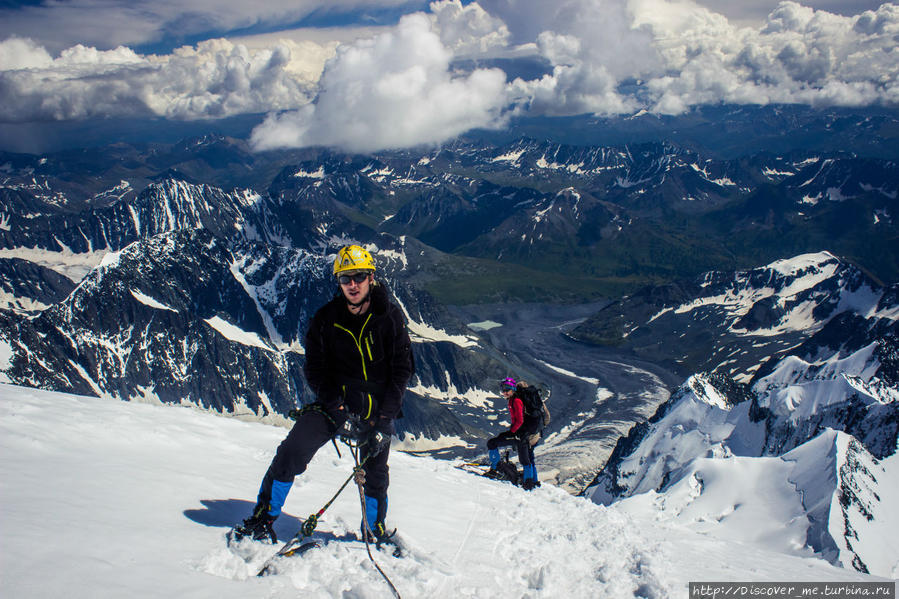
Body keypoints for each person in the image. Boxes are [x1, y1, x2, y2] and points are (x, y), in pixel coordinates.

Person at [231, 244, 414, 544]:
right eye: (345, 279)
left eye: (357, 277)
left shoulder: (389, 318)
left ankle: (374, 529)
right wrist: (337, 408)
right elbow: (315, 370)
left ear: (371, 278)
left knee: (376, 476)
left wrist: (384, 418)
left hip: (376, 410)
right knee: (291, 452)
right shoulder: (326, 319)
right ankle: (264, 518)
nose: (352, 285)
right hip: (334, 405)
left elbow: (401, 369)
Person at [486, 377, 541, 490]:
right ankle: (530, 482)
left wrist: (512, 432)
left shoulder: (516, 401)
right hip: (525, 433)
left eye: (507, 389)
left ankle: (496, 469)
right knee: (527, 459)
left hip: (519, 434)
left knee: (492, 443)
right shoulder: (516, 399)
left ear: (513, 389)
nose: (504, 392)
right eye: (503, 389)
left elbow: (520, 420)